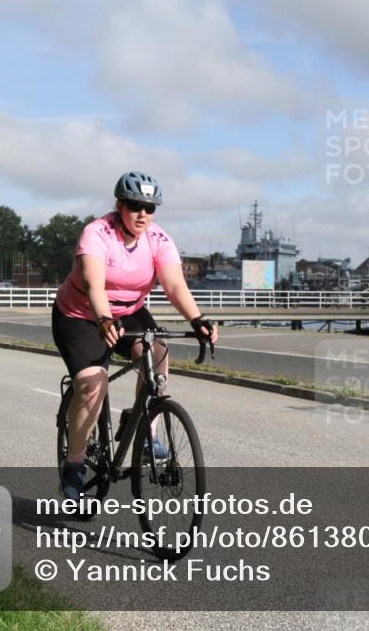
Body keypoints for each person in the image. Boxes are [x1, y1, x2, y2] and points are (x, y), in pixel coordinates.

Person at [51, 171, 217, 501]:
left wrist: (197, 319)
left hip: (128, 312)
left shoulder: (158, 239)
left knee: (157, 352)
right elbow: (94, 286)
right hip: (82, 314)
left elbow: (174, 286)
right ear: (119, 205)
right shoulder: (97, 234)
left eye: (150, 208)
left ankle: (144, 432)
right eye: (135, 206)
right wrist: (103, 319)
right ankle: (74, 464)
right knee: (92, 383)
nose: (143, 214)